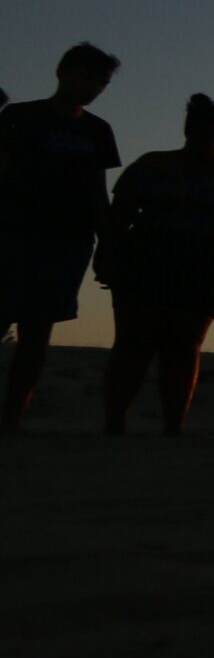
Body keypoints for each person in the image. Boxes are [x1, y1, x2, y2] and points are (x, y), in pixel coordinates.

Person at [98, 94, 214, 434]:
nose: (210, 145)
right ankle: (115, 421)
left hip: (208, 262)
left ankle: (173, 425)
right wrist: (106, 254)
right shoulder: (152, 165)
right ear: (187, 131)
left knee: (184, 344)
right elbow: (119, 215)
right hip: (148, 256)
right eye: (203, 136)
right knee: (134, 341)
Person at [1, 42, 121, 431]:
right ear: (63, 71)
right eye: (89, 77)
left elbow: (97, 192)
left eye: (101, 82)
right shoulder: (20, 117)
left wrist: (108, 244)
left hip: (68, 240)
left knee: (37, 332)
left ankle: (12, 418)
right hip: (13, 234)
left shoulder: (98, 131)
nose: (94, 87)